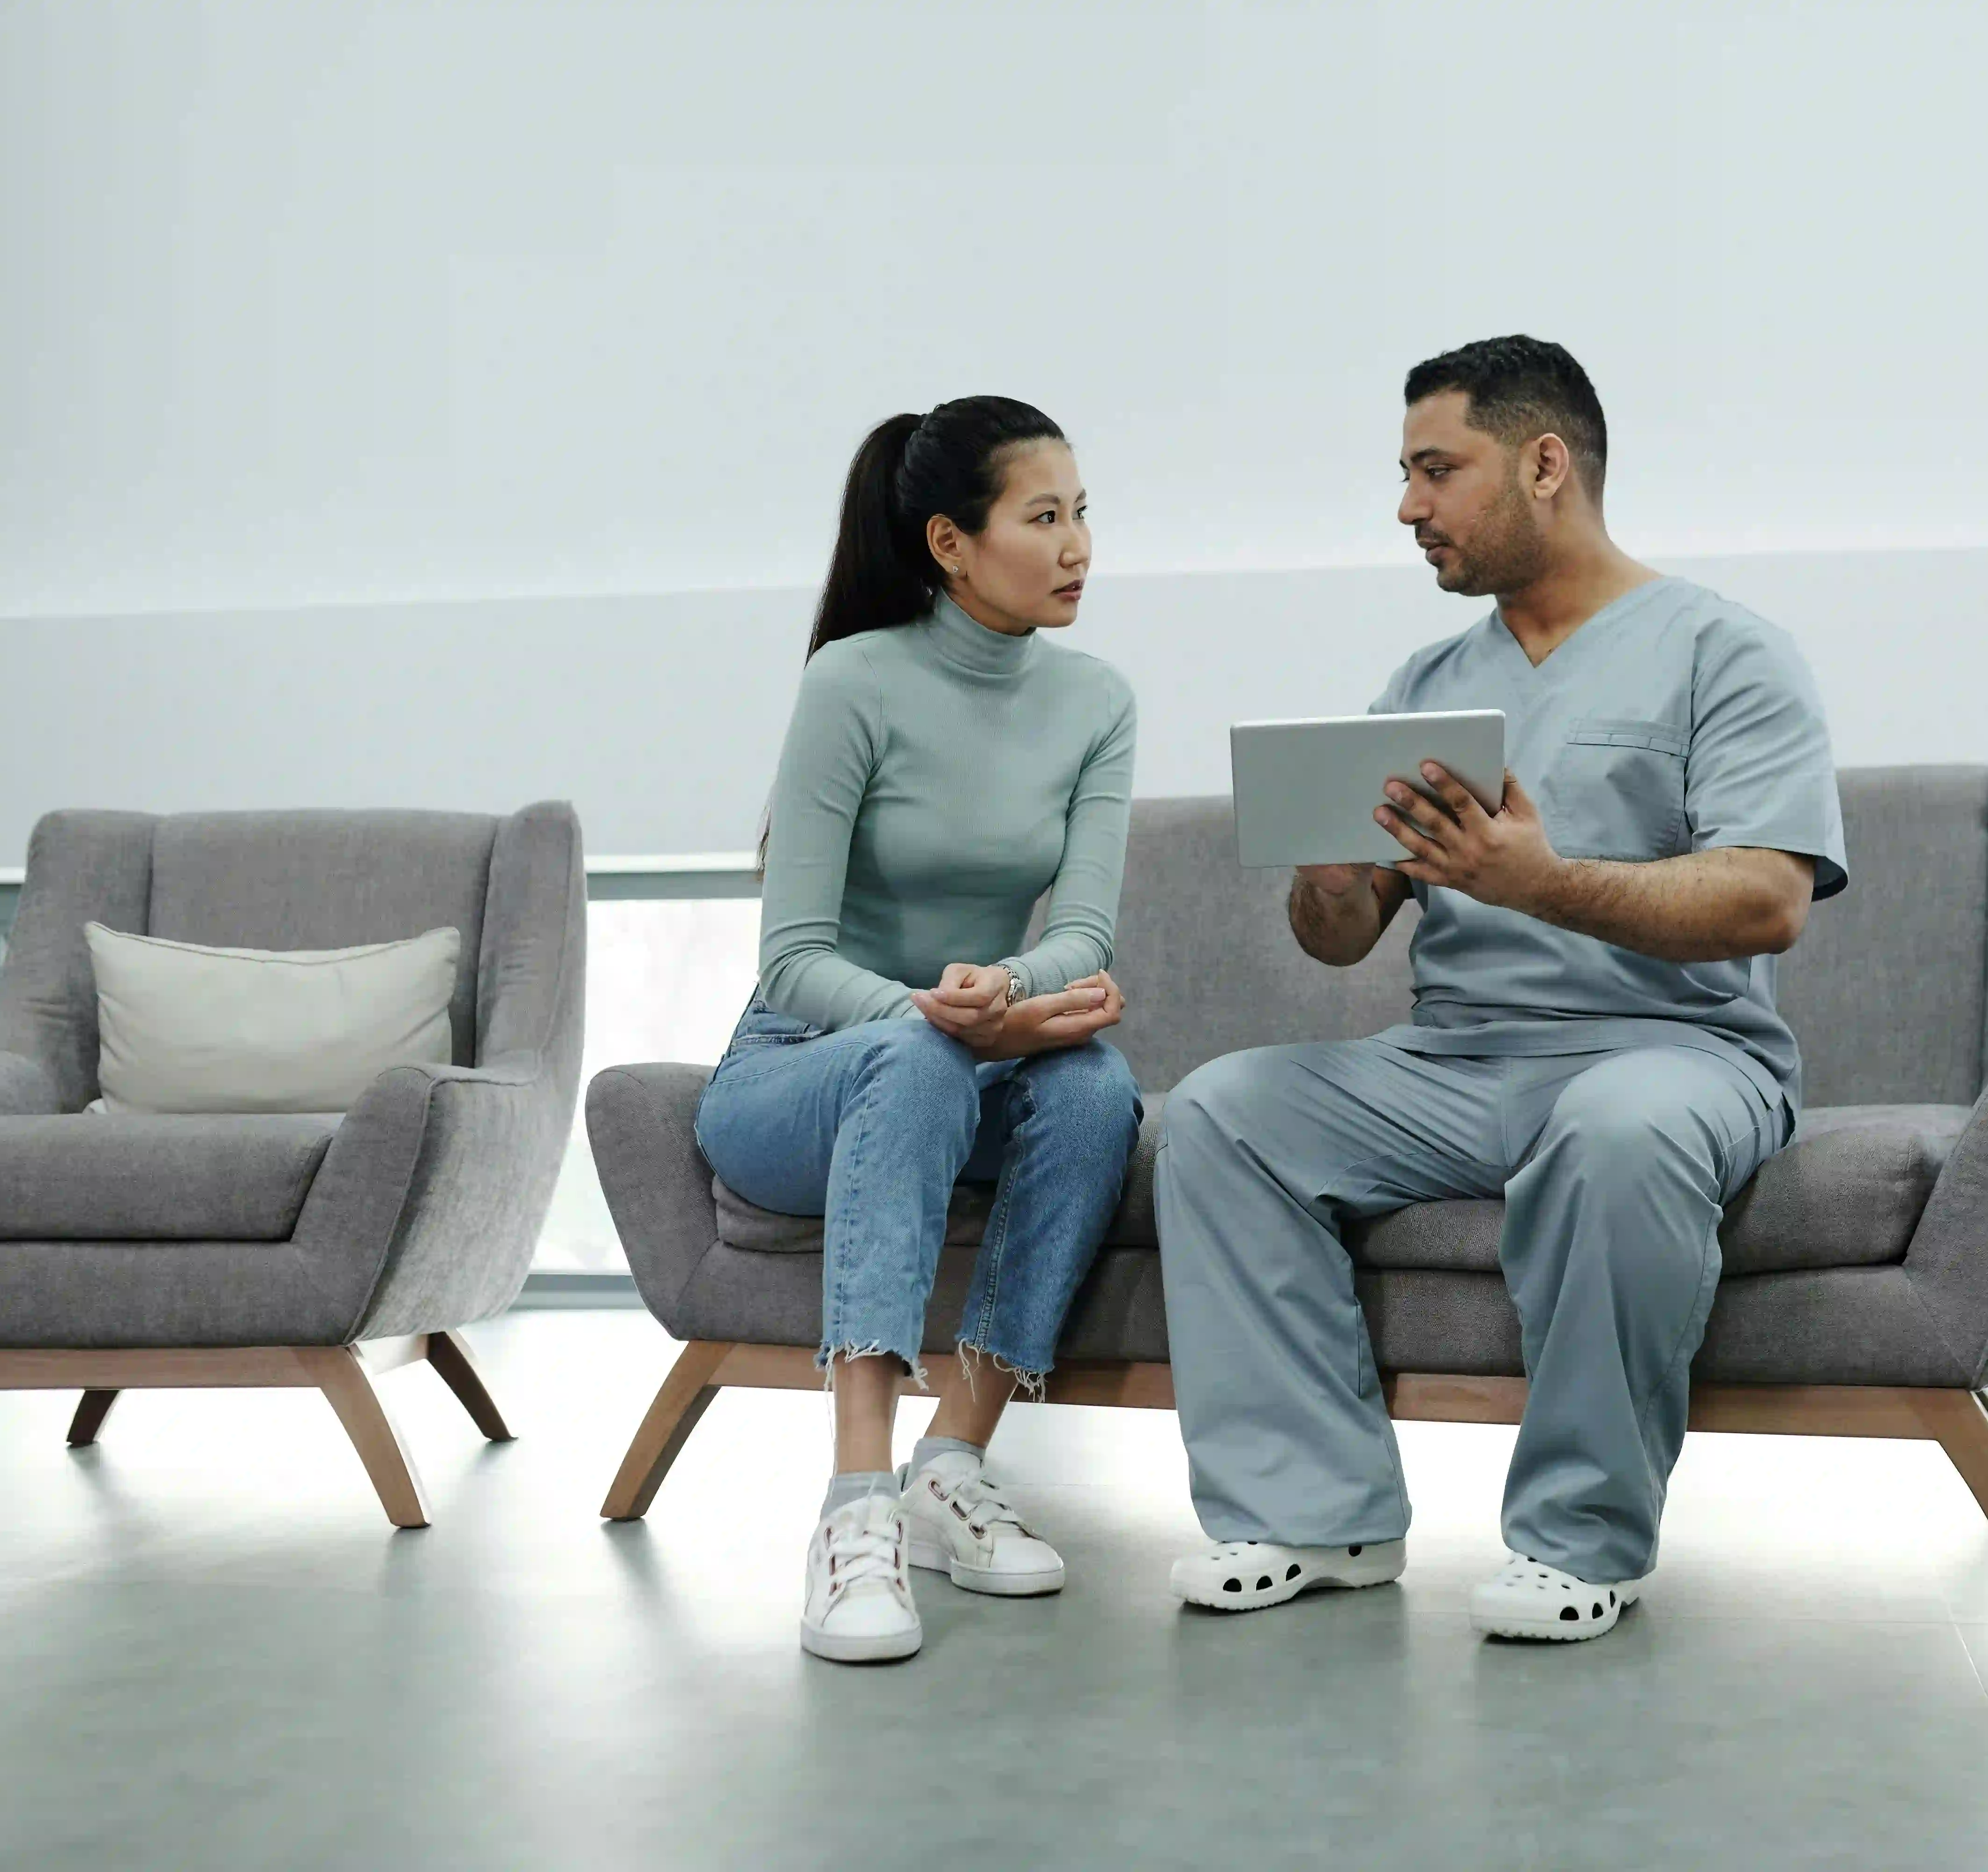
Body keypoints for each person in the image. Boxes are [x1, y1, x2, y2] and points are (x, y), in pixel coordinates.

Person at [1157, 336, 1847, 1642]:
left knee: (1618, 1129)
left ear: (1544, 465)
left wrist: (1539, 881)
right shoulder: (1425, 689)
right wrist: (1330, 883)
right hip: (1459, 1062)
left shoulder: (1726, 652)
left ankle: (1580, 1542)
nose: (1408, 506)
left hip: (1679, 1052)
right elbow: (1340, 937)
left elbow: (1769, 899)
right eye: (1406, 476)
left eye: (1436, 470)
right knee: (1220, 1111)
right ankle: (1318, 1516)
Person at [698, 397, 1142, 1664]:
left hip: (967, 1042)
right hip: (796, 1074)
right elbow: (791, 962)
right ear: (952, 543)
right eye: (1043, 518)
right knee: (914, 1051)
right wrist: (941, 1019)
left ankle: (952, 1465)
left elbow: (1084, 935)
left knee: (1099, 1086)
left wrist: (1008, 1004)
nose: (1078, 548)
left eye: (1082, 514)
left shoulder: (1096, 702)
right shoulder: (851, 686)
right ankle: (855, 1511)